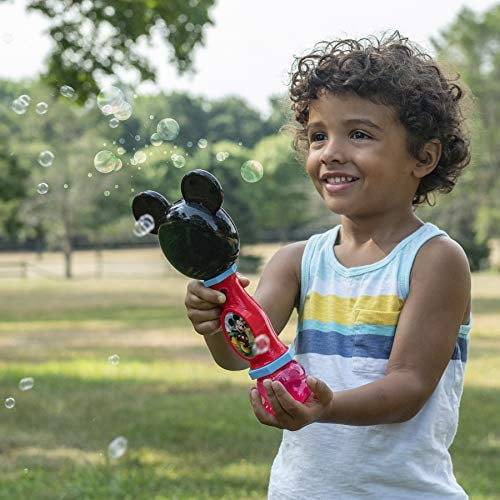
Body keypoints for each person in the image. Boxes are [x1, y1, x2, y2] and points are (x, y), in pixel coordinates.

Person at [184, 31, 472, 499]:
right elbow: (241, 355)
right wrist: (216, 323)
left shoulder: (433, 259)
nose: (331, 152)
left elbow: (408, 386)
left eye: (359, 134)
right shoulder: (297, 261)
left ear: (423, 156)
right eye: (319, 136)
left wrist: (327, 406)